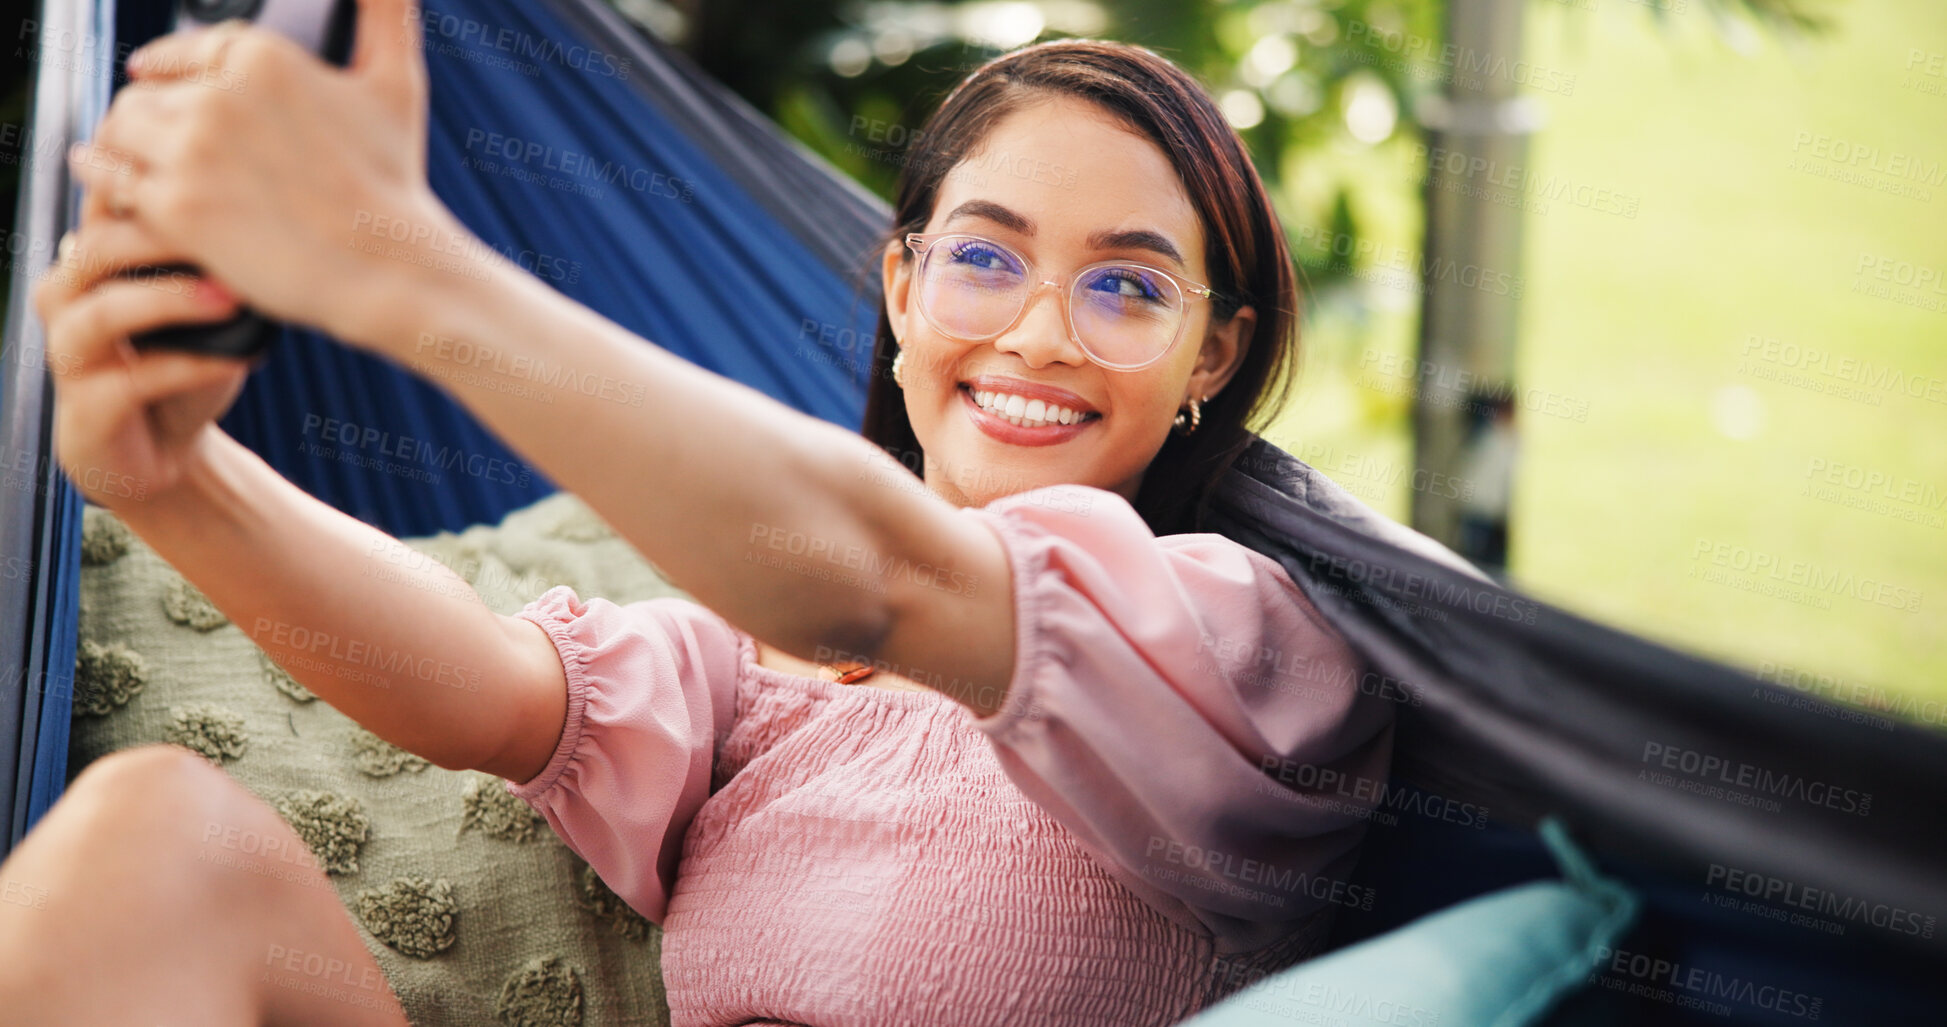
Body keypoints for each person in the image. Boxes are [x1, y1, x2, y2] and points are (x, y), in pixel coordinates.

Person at [1, 3, 1394, 1024]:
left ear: (1212, 356)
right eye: (985, 259)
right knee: (152, 841)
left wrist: (402, 270)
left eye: (1128, 287)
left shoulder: (1240, 644)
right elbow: (484, 690)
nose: (1037, 333)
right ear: (902, 290)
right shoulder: (759, 665)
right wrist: (168, 476)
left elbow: (886, 579)